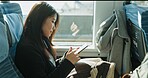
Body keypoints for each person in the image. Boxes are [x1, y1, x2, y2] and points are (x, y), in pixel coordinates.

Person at [15, 2, 80, 78]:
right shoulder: (28, 49)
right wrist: (68, 63)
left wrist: (65, 59)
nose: (54, 27)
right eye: (52, 21)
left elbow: (50, 68)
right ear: (40, 19)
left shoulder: (42, 41)